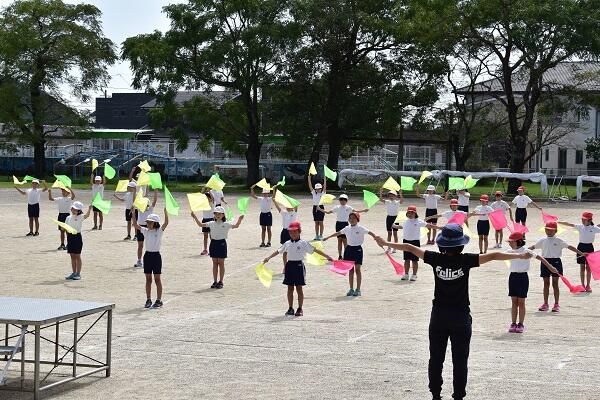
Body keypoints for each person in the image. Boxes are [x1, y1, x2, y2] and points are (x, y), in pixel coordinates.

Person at [374, 224, 534, 400]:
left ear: (442, 244)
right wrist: (520, 255)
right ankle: (458, 396)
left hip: (438, 316)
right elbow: (494, 255)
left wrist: (386, 242)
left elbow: (409, 247)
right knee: (460, 361)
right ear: (461, 245)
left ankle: (435, 394)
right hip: (460, 316)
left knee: (436, 358)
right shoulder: (466, 260)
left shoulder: (434, 258)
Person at [263, 221, 333, 316]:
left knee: (299, 288)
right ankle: (290, 308)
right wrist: (268, 258)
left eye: (295, 231)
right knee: (290, 288)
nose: (293, 234)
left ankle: (300, 308)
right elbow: (278, 251)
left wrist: (327, 256)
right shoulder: (287, 243)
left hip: (299, 266)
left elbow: (315, 250)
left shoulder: (303, 243)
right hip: (289, 266)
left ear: (299, 231)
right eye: (291, 232)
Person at [505, 232, 558, 333]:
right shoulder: (509, 251)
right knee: (514, 301)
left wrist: (550, 267)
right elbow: (499, 256)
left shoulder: (527, 251)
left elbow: (540, 258)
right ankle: (513, 323)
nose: (509, 243)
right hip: (513, 277)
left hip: (523, 277)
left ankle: (520, 324)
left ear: (518, 241)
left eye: (511, 242)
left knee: (521, 302)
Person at [529, 221, 586, 313]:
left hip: (556, 262)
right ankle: (545, 303)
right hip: (545, 262)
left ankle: (556, 304)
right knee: (546, 283)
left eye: (551, 230)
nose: (549, 231)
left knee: (555, 284)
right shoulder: (542, 240)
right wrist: (522, 251)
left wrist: (580, 253)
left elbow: (569, 247)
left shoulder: (559, 240)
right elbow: (532, 247)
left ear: (556, 231)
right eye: (547, 229)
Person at [324, 211, 378, 296]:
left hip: (358, 250)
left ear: (357, 219)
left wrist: (376, 237)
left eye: (354, 218)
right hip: (348, 250)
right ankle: (351, 289)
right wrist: (328, 237)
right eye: (350, 218)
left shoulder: (360, 228)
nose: (352, 220)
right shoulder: (347, 228)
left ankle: (358, 289)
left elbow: (370, 232)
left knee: (357, 270)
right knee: (350, 270)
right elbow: (338, 233)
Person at [191, 206, 244, 289]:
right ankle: (215, 281)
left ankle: (221, 281)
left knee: (221, 263)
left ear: (223, 215)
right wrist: (195, 216)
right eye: (216, 214)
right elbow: (200, 225)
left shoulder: (226, 224)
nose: (218, 215)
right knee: (215, 263)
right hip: (213, 243)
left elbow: (236, 226)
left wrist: (240, 220)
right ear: (214, 215)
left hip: (222, 244)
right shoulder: (211, 223)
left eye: (220, 214)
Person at [132, 208, 169, 309]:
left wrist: (165, 213)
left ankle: (159, 300)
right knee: (148, 279)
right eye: (147, 222)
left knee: (157, 279)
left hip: (156, 256)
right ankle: (148, 299)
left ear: (155, 223)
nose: (148, 224)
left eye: (150, 222)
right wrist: (134, 214)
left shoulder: (159, 231)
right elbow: (135, 225)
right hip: (147, 256)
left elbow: (166, 223)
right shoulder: (145, 231)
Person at [392, 205, 438, 281]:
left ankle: (414, 275)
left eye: (412, 213)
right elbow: (401, 227)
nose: (410, 214)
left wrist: (439, 227)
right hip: (405, 242)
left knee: (414, 260)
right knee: (406, 259)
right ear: (407, 214)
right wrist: (394, 226)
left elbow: (429, 225)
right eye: (409, 213)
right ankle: (406, 274)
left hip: (415, 242)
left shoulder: (419, 221)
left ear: (415, 213)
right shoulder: (405, 221)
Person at [558, 212, 600, 292]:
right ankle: (582, 285)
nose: (582, 221)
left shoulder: (594, 228)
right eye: (582, 219)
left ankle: (588, 285)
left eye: (584, 219)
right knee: (582, 267)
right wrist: (558, 222)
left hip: (590, 247)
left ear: (590, 220)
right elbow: (569, 224)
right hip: (581, 247)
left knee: (588, 268)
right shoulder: (580, 227)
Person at [324, 194, 369, 259]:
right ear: (339, 200)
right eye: (341, 199)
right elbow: (328, 212)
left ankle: (346, 255)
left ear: (346, 200)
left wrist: (364, 210)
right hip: (338, 224)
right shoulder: (337, 207)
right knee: (339, 241)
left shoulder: (349, 207)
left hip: (345, 224)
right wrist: (320, 209)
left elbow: (356, 212)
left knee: (345, 241)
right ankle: (340, 255)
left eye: (344, 199)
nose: (343, 201)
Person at [65, 202, 92, 281]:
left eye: (76, 209)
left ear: (79, 210)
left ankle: (78, 273)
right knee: (72, 256)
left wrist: (89, 209)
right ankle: (73, 273)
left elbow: (87, 215)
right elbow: (66, 227)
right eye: (73, 209)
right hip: (70, 237)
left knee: (77, 256)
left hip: (77, 237)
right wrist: (67, 238)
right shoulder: (68, 217)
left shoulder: (80, 217)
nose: (73, 210)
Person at [133, 189, 158, 268]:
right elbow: (135, 201)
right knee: (140, 245)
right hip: (140, 227)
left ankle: (149, 260)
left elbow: (155, 200)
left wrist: (155, 190)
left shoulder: (150, 208)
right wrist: (134, 192)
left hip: (149, 228)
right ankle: (139, 261)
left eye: (147, 203)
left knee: (149, 245)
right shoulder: (140, 208)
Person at [379, 188, 403, 253]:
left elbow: (402, 201)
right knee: (389, 233)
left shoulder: (397, 202)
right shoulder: (388, 202)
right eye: (390, 195)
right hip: (389, 218)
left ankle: (395, 247)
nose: (391, 197)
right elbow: (381, 199)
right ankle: (389, 248)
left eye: (393, 195)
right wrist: (381, 192)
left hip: (396, 218)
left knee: (395, 233)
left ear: (395, 196)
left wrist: (400, 193)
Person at [308, 175, 327, 240]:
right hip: (315, 208)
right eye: (317, 189)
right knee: (316, 222)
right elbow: (310, 186)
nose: (318, 189)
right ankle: (316, 235)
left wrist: (325, 179)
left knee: (321, 222)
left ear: (321, 188)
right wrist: (309, 179)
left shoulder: (323, 193)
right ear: (315, 189)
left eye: (319, 188)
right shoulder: (313, 193)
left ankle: (321, 235)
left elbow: (325, 186)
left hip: (321, 207)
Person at [199, 188, 215, 255]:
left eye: (207, 197)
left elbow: (213, 198)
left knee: (211, 236)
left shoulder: (212, 203)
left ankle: (212, 250)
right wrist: (203, 190)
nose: (206, 199)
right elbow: (200, 196)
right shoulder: (203, 204)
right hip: (205, 220)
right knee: (205, 236)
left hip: (211, 220)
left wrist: (209, 191)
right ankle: (205, 250)